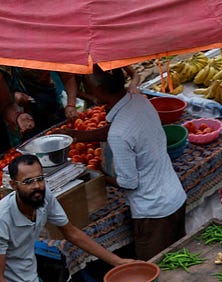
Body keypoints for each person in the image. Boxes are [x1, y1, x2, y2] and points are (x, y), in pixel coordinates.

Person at [0, 153, 130, 282]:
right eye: (28, 181)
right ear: (14, 184)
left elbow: (72, 233)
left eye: (39, 179)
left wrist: (118, 262)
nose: (37, 186)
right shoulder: (2, 218)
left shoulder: (44, 198)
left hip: (29, 280)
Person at [78, 67, 187, 260]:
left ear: (100, 89)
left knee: (156, 270)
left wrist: (100, 178)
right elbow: (114, 130)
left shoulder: (119, 133)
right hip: (175, 197)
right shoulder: (139, 101)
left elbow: (129, 182)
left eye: (87, 86)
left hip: (154, 212)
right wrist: (77, 136)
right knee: (178, 259)